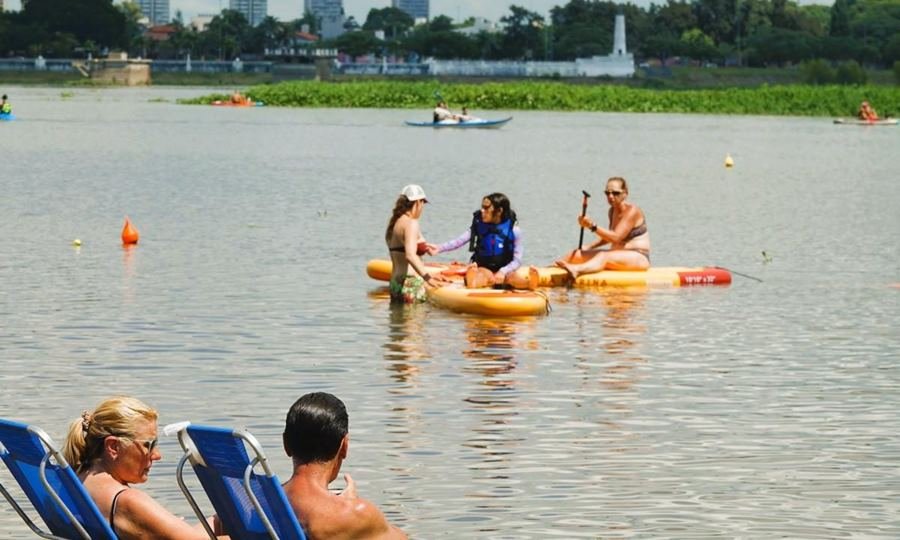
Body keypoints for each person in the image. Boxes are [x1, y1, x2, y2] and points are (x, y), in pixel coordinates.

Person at [62, 396, 226, 539]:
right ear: (113, 447)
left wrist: (224, 518)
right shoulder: (127, 501)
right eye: (148, 445)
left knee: (227, 519)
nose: (157, 455)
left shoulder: (75, 482)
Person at [281, 392, 407, 540]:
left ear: (286, 444)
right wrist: (349, 506)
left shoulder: (256, 502)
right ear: (344, 446)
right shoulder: (354, 514)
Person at [427, 192, 538, 290]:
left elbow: (517, 260)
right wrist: (439, 248)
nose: (482, 211)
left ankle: (530, 283)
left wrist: (503, 271)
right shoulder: (479, 225)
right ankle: (473, 281)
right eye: (482, 207)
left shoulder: (514, 230)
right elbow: (459, 241)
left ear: (499, 211)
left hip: (506, 269)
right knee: (483, 276)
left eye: (486, 208)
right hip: (484, 267)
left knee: (512, 278)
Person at [554, 177, 651, 279]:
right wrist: (589, 246)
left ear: (625, 194)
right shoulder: (612, 211)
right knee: (575, 254)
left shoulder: (632, 211)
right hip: (618, 256)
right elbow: (608, 237)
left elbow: (616, 238)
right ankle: (548, 271)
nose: (610, 196)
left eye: (615, 193)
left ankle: (577, 270)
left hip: (639, 257)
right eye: (607, 193)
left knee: (603, 256)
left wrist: (592, 226)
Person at [385, 184, 447, 303]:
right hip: (410, 284)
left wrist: (426, 247)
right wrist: (427, 278)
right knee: (415, 320)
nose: (423, 207)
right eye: (423, 203)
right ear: (418, 202)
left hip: (395, 283)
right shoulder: (411, 223)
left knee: (397, 320)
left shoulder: (394, 223)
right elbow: (410, 255)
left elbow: (403, 248)